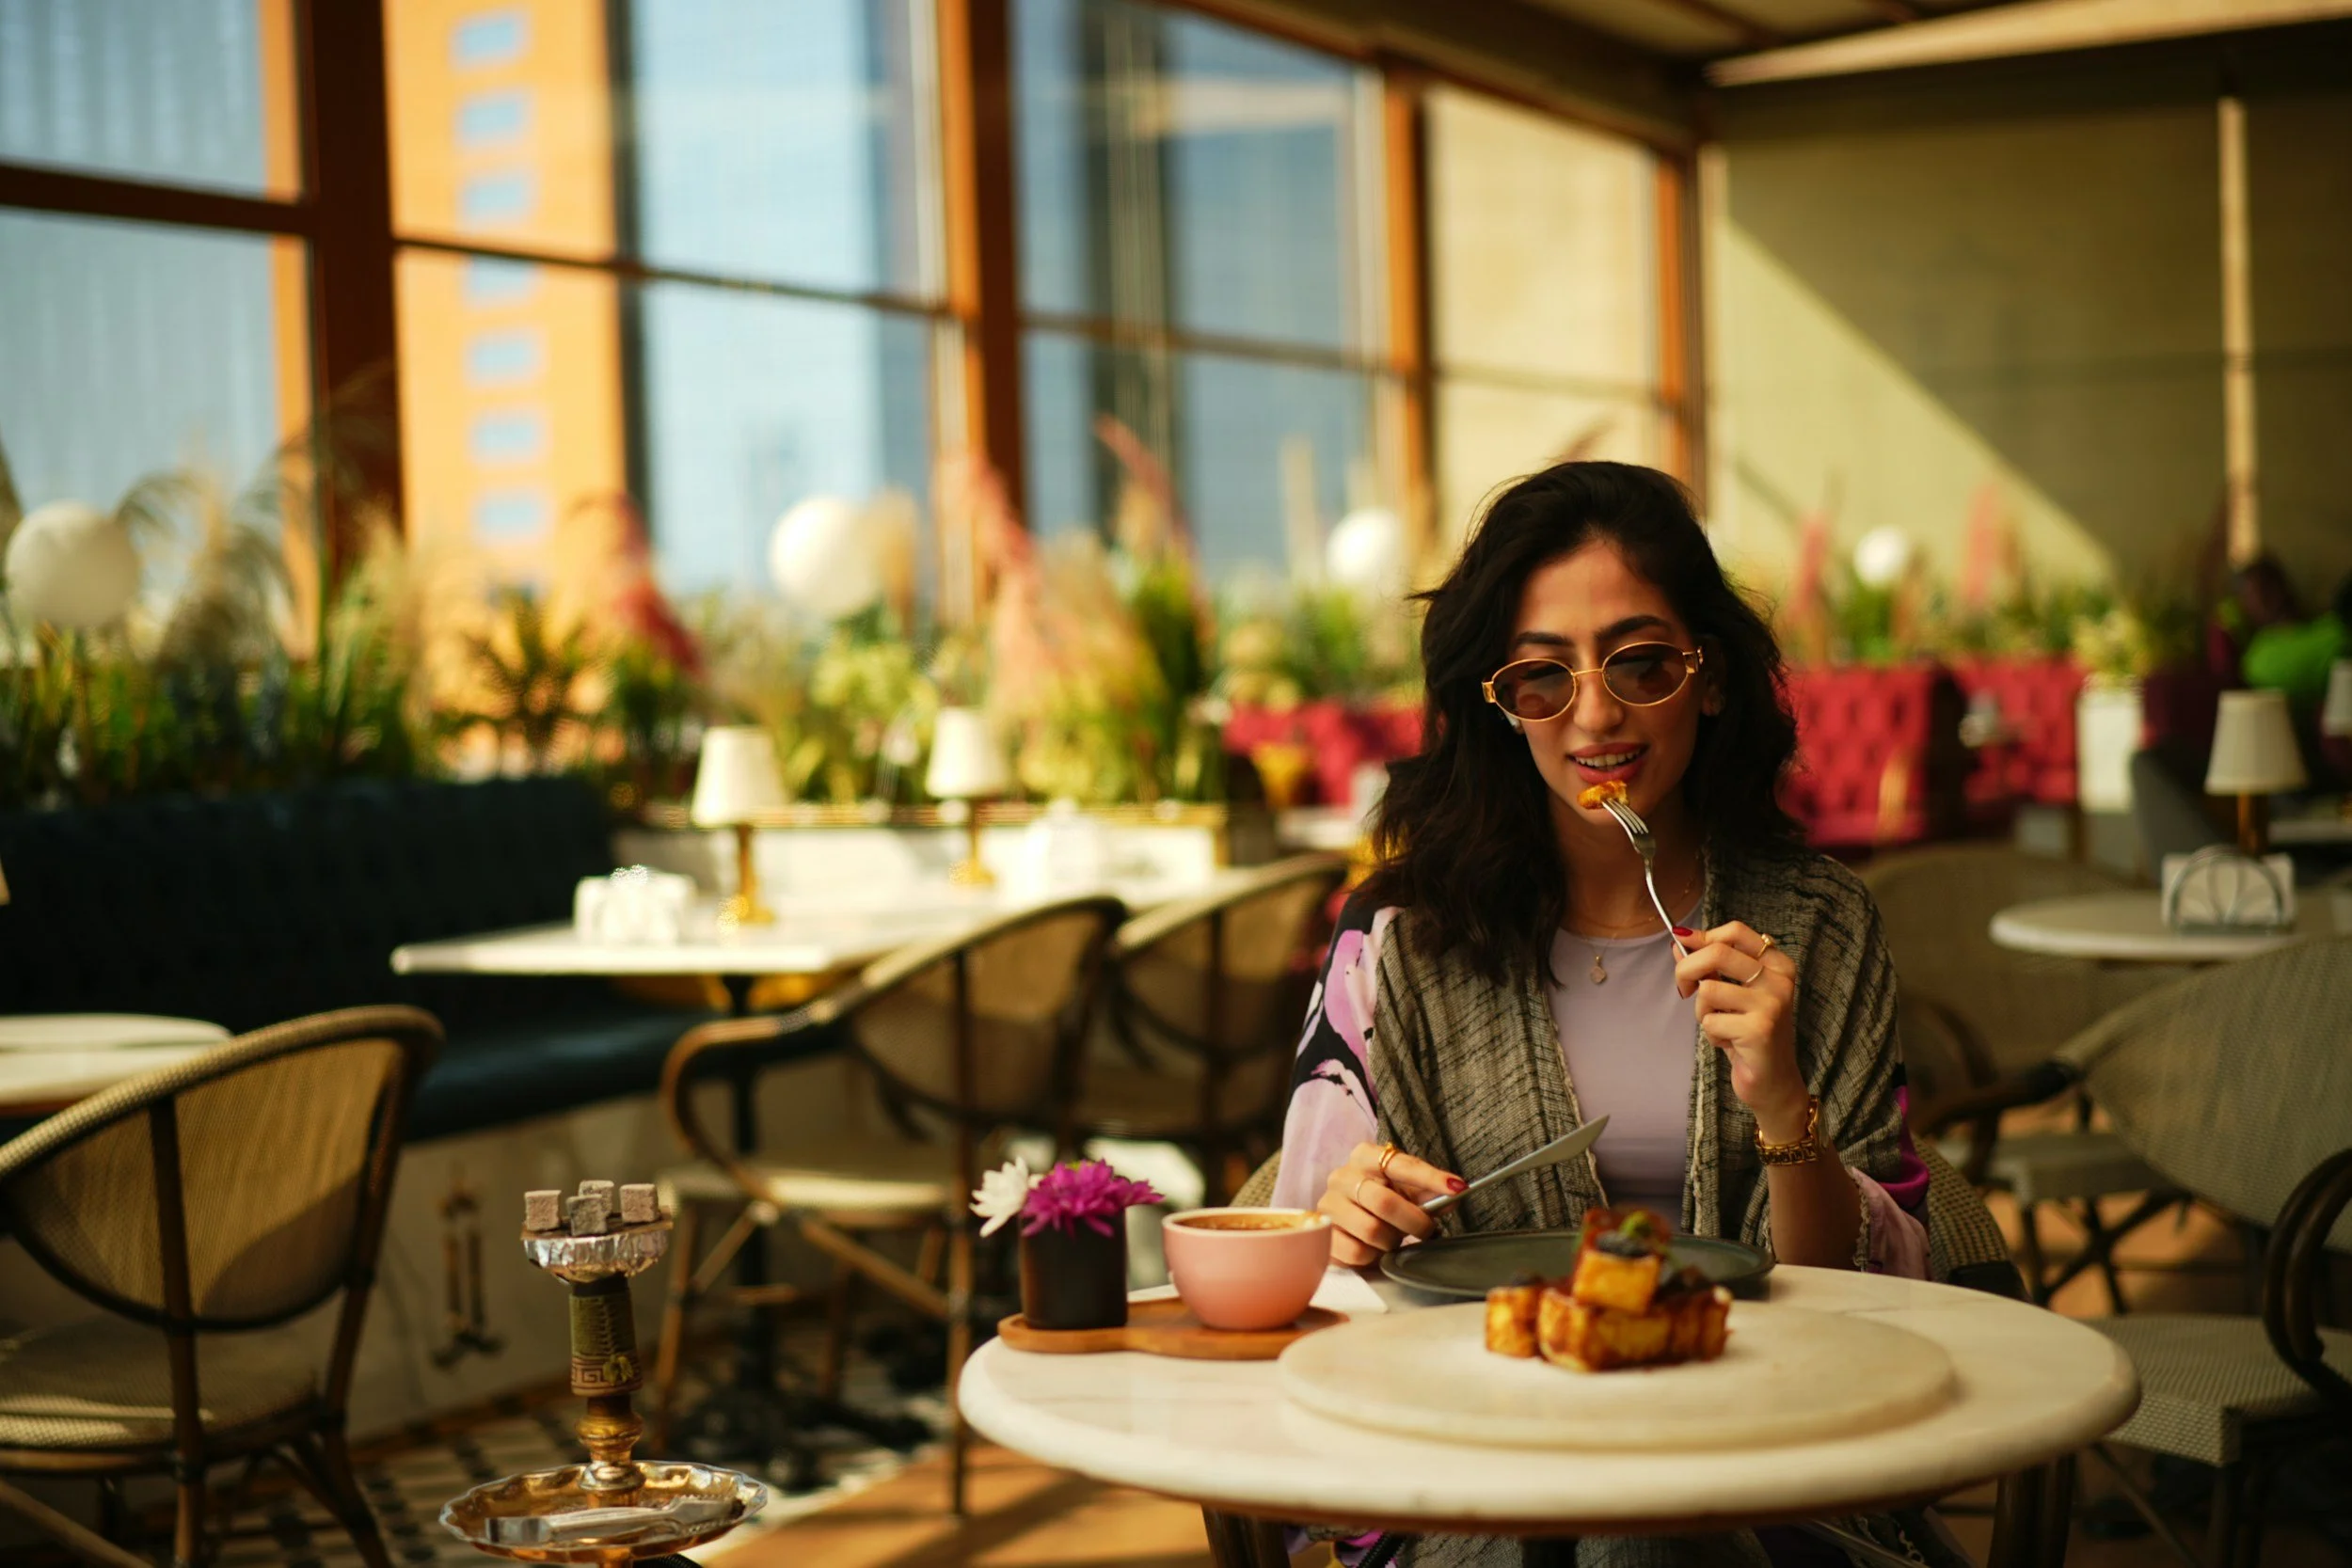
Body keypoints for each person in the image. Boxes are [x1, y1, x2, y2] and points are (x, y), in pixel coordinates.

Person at [1272, 462, 1940, 1568]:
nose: (1594, 714)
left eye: (1639, 662)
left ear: (1709, 676)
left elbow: (1871, 1302)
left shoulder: (1818, 923)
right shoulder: (1397, 936)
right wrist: (1350, 1220)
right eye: (1541, 678)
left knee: (1654, 1538)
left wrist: (1781, 1100)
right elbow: (1303, 1276)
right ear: (1499, 706)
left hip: (1777, 1466)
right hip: (1472, 1476)